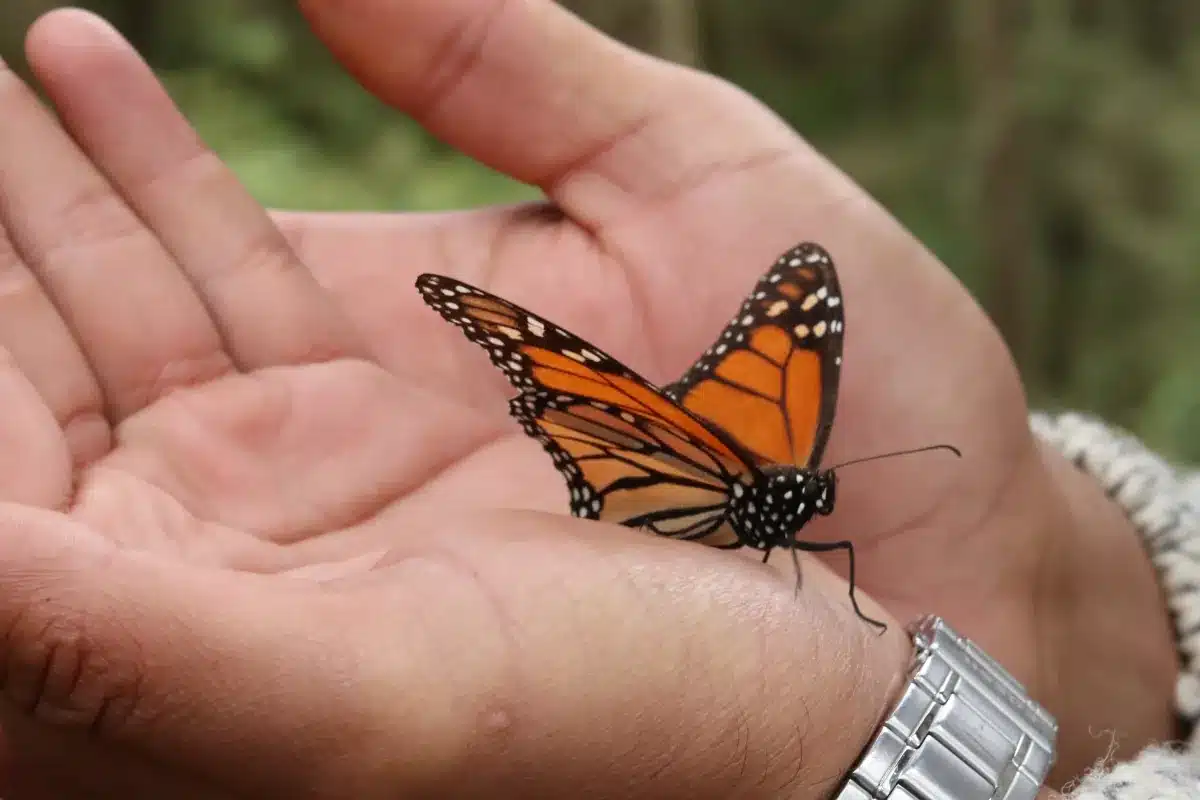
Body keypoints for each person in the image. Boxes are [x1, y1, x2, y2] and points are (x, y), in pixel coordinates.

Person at [0, 2, 1193, 797]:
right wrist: (1065, 601)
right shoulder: (741, 471)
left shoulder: (784, 496)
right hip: (647, 466)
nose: (817, 493)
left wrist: (902, 672)